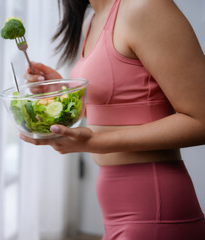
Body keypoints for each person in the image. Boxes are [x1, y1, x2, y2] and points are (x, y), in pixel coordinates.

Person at [20, 0, 205, 239]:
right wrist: (62, 91)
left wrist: (94, 143)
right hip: (115, 206)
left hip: (153, 206)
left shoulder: (146, 6)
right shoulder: (93, 20)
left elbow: (201, 120)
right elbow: (116, 109)